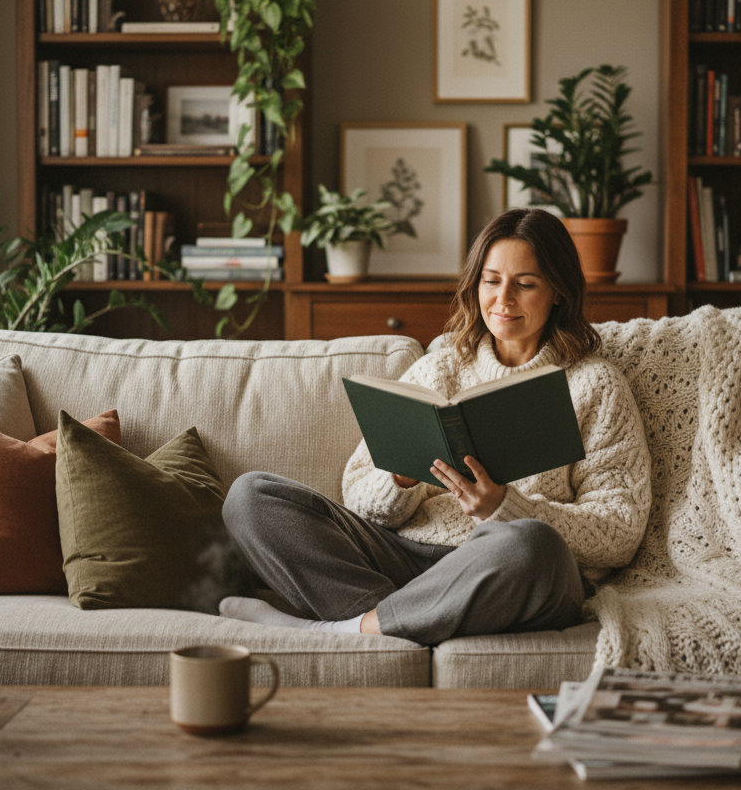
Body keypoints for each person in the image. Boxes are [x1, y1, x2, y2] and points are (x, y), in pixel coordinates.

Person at [219, 208, 651, 645]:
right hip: (404, 557)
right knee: (251, 497)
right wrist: (399, 480)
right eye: (491, 280)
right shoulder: (438, 370)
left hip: (506, 567)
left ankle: (348, 628)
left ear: (558, 291)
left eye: (525, 284)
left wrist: (506, 509)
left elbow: (619, 530)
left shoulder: (594, 385)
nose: (503, 299)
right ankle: (403, 618)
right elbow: (357, 492)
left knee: (534, 544)